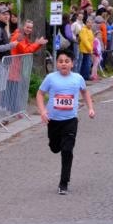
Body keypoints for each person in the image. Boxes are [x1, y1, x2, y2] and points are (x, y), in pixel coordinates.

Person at [36, 50, 95, 194]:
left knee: (67, 151)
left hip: (70, 120)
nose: (63, 64)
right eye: (61, 61)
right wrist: (43, 111)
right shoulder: (50, 78)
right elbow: (40, 94)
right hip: (54, 120)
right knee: (55, 148)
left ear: (72, 64)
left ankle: (64, 183)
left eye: (67, 61)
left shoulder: (78, 78)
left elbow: (85, 92)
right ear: (57, 64)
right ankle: (55, 144)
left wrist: (91, 108)